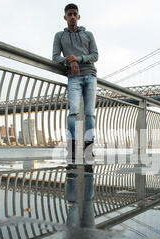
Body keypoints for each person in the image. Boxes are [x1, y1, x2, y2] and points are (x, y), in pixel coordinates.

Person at [52, 3, 99, 163]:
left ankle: (89, 148)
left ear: (78, 17)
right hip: (73, 78)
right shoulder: (60, 36)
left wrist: (78, 59)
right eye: (69, 14)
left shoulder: (89, 34)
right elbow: (55, 57)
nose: (72, 17)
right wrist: (68, 61)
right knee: (73, 112)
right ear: (65, 17)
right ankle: (71, 148)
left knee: (89, 114)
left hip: (91, 76)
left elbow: (95, 55)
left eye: (74, 14)